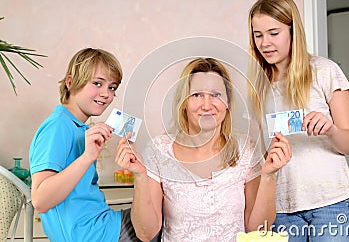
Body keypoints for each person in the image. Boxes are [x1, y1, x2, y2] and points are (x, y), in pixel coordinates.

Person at [115, 57, 292, 242]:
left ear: (228, 104)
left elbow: (257, 228)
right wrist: (141, 177)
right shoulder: (159, 150)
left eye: (216, 95)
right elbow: (146, 233)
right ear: (183, 103)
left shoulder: (246, 149)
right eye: (197, 95)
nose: (207, 105)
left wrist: (269, 176)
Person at [247, 0, 349, 241]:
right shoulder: (258, 87)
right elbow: (263, 155)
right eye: (258, 35)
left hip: (329, 203)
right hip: (282, 208)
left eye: (274, 33)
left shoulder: (324, 71)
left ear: (292, 31)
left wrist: (330, 129)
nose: (265, 43)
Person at [29, 48, 142, 241]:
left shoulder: (79, 127)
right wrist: (87, 157)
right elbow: (40, 200)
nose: (106, 94)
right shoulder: (58, 126)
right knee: (165, 218)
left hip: (101, 225)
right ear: (71, 82)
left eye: (112, 88)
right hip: (94, 234)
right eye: (97, 83)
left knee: (157, 211)